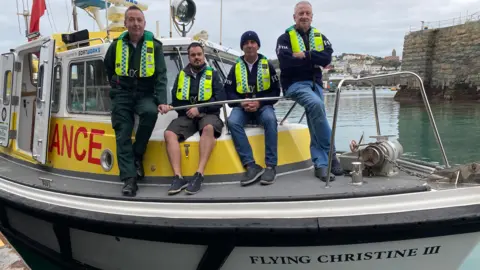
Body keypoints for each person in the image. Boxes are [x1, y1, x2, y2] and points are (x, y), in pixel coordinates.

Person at [104, 5, 168, 197]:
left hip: (145, 93)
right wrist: (116, 86)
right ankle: (129, 179)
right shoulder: (116, 46)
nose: (135, 24)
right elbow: (108, 67)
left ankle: (137, 154)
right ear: (125, 23)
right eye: (131, 20)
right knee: (122, 132)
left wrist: (162, 100)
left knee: (150, 113)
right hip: (122, 93)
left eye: (139, 20)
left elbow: (161, 75)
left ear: (144, 23)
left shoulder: (154, 46)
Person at [275, 1, 343, 182]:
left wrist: (305, 54)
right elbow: (286, 61)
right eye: (300, 13)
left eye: (307, 13)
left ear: (312, 17)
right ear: (294, 17)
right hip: (294, 85)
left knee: (316, 117)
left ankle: (325, 161)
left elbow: (327, 57)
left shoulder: (320, 36)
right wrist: (315, 58)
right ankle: (327, 159)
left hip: (316, 84)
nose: (304, 16)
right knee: (316, 105)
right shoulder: (284, 39)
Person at [159, 42, 226, 195]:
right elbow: (176, 100)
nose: (196, 58)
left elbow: (221, 98)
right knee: (169, 134)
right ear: (188, 57)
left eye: (199, 55)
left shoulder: (213, 74)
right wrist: (169, 106)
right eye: (193, 55)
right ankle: (178, 177)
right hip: (186, 116)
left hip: (208, 114)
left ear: (203, 56)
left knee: (208, 128)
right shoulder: (181, 75)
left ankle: (199, 174)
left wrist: (199, 109)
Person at [224, 31, 281, 186]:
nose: (250, 45)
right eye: (246, 43)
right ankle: (251, 165)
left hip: (262, 107)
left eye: (252, 42)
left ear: (258, 45)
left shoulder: (267, 65)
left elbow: (276, 92)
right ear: (242, 47)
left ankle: (270, 166)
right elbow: (228, 92)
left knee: (270, 119)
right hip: (242, 108)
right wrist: (241, 102)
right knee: (233, 122)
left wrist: (259, 103)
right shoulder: (235, 67)